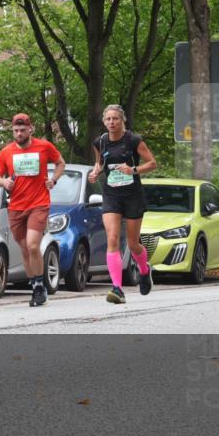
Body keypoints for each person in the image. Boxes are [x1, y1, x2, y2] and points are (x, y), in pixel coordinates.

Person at [0, 113, 66, 306]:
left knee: (33, 245)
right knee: (25, 249)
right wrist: (4, 182)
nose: (19, 133)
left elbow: (61, 163)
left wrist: (53, 180)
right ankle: (35, 286)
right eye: (16, 130)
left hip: (39, 204)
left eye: (22, 130)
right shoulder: (6, 152)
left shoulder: (44, 146)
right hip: (16, 206)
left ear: (30, 129)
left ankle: (40, 286)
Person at [88, 104, 157, 304]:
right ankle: (117, 289)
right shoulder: (99, 141)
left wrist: (133, 170)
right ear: (104, 121)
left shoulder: (133, 140)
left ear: (122, 120)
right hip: (111, 195)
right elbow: (100, 163)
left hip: (133, 195)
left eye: (115, 119)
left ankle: (144, 271)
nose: (111, 122)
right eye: (108, 119)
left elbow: (152, 163)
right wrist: (95, 172)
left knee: (133, 243)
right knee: (112, 238)